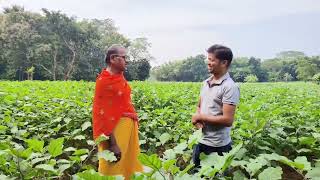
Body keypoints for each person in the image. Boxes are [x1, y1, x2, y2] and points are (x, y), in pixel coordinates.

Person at [92, 44, 143, 179]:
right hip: (114, 133)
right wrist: (112, 144)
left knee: (127, 169)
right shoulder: (104, 81)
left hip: (127, 131)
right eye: (124, 57)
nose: (126, 61)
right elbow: (102, 115)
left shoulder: (119, 78)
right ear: (113, 58)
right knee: (113, 170)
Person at [191, 44, 240, 169]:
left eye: (212, 60)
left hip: (218, 145)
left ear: (224, 62)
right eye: (208, 59)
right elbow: (199, 105)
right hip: (200, 140)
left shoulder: (229, 87)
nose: (208, 62)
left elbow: (228, 120)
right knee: (196, 174)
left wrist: (200, 116)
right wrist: (197, 119)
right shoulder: (206, 83)